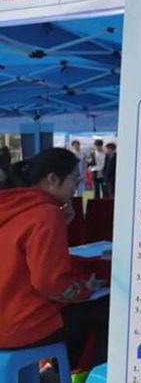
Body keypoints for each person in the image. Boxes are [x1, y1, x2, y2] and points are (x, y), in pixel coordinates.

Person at [0, 148, 108, 374]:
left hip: (7, 314)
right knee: (105, 311)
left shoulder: (12, 205)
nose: (76, 188)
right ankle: (77, 374)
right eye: (74, 180)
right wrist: (84, 290)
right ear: (52, 179)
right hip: (19, 327)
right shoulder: (45, 214)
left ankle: (56, 372)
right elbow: (49, 282)